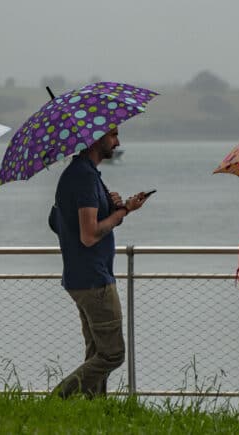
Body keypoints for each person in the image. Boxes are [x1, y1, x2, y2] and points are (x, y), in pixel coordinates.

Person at [50, 127, 151, 398]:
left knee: (96, 351)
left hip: (82, 277)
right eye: (113, 134)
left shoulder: (80, 174)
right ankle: (58, 397)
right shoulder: (83, 177)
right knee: (112, 354)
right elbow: (89, 234)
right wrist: (120, 214)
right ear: (94, 139)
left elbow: (56, 221)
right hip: (94, 280)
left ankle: (95, 409)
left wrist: (113, 205)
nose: (118, 141)